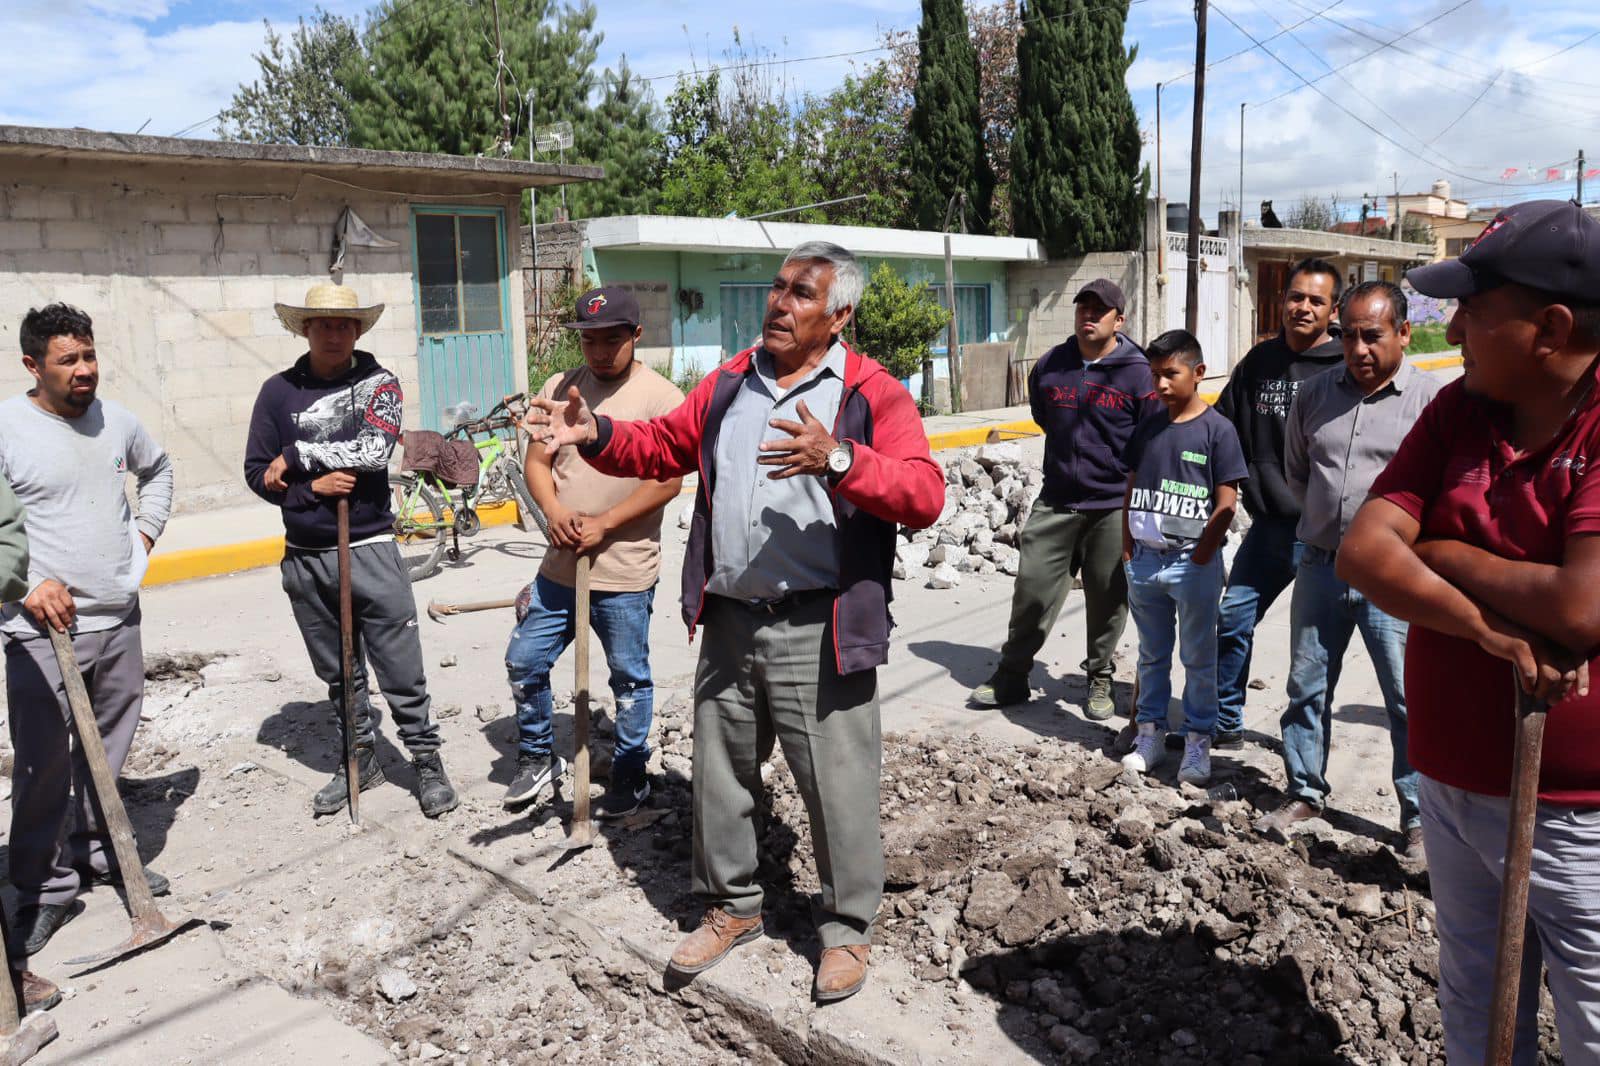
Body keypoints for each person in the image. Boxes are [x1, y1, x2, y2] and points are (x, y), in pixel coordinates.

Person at [523, 242, 944, 1004]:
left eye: (803, 294)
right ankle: (734, 906)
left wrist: (842, 459)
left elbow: (923, 493)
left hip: (820, 624)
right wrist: (594, 437)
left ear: (840, 313)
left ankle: (847, 929)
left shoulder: (870, 394)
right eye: (777, 288)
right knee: (721, 776)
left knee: (837, 784)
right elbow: (665, 445)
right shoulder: (728, 382)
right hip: (730, 615)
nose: (780, 303)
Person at [1337, 199, 1600, 1064]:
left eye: (1474, 310)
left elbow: (1580, 608)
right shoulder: (1461, 410)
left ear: (1551, 328)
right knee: (1479, 1015)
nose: (1453, 327)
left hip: (1578, 820)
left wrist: (1444, 548)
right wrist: (1488, 629)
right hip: (1451, 783)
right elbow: (1366, 553)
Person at [244, 283, 457, 819]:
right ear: (304, 330)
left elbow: (373, 450)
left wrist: (295, 455)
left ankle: (426, 758)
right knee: (339, 670)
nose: (333, 333)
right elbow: (255, 472)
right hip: (306, 553)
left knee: (400, 664)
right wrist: (309, 489)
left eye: (343, 324)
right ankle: (358, 755)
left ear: (358, 330)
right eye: (322, 324)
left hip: (369, 545)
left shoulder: (379, 384)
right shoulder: (277, 393)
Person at [1, 304, 174, 959]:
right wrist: (22, 585)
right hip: (40, 631)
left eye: (89, 356)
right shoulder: (9, 428)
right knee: (45, 765)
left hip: (117, 620)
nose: (84, 370)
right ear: (32, 366)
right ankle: (45, 890)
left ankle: (102, 856)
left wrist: (145, 534)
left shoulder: (118, 422)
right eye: (68, 360)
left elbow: (159, 472)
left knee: (109, 752)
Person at [1255, 282, 1443, 855]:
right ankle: (1305, 790)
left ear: (1404, 334)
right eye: (1350, 336)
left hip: (1395, 577)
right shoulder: (1313, 396)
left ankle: (1417, 817)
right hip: (1320, 565)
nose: (1358, 349)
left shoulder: (1431, 404)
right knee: (1306, 686)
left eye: (1373, 336)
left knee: (1407, 699)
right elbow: (1298, 473)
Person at [503, 287, 683, 818]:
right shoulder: (560, 387)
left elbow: (667, 482)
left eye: (612, 339)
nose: (600, 351)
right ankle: (538, 756)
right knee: (524, 660)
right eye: (589, 340)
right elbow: (538, 463)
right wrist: (556, 514)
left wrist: (604, 523)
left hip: (624, 570)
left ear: (635, 336)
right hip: (560, 565)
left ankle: (630, 775)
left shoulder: (661, 399)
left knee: (629, 679)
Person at [968, 279, 1158, 720]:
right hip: (1056, 500)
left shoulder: (1139, 372)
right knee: (1032, 590)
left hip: (1112, 505)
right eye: (1083, 308)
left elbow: (1151, 436)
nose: (1088, 316)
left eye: (1100, 310)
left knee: (1108, 599)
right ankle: (1013, 675)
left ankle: (1099, 677)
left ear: (1120, 319)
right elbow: (1042, 414)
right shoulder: (1052, 364)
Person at [1212, 259, 1344, 748]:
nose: (1303, 307)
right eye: (1296, 297)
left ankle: (1309, 756)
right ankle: (1227, 722)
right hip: (1269, 528)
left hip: (1328, 535)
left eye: (1315, 300)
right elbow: (1222, 428)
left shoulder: (1343, 366)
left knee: (1314, 654)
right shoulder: (1258, 363)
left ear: (1333, 310)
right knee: (1233, 620)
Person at [1119, 329, 1247, 786]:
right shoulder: (1148, 424)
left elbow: (1226, 502)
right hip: (1145, 564)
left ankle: (1197, 743)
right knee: (1151, 655)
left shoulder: (1218, 431)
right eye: (1155, 375)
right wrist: (1128, 545)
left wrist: (1202, 557)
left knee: (1198, 657)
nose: (1161, 384)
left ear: (1197, 373)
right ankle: (1149, 734)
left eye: (1170, 374)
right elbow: (1131, 486)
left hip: (1191, 563)